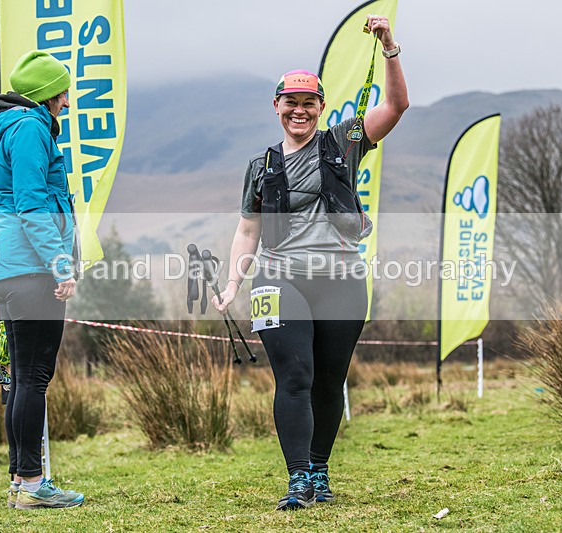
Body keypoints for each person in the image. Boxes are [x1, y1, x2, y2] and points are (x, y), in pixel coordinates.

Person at [213, 15, 408, 510]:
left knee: (328, 380)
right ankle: (298, 478)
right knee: (294, 376)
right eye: (290, 103)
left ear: (321, 107)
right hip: (278, 279)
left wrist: (389, 47)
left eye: (308, 103)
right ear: (277, 107)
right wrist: (233, 283)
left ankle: (320, 470)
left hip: (342, 279)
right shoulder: (260, 167)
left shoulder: (344, 142)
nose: (299, 111)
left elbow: (396, 105)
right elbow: (247, 231)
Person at [0, 50, 83, 510]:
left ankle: (21, 482)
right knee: (33, 377)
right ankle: (34, 484)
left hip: (6, 268)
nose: (67, 101)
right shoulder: (31, 129)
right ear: (44, 93)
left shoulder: (12, 129)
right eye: (62, 92)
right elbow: (32, 203)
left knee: (20, 378)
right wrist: (60, 263)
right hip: (29, 269)